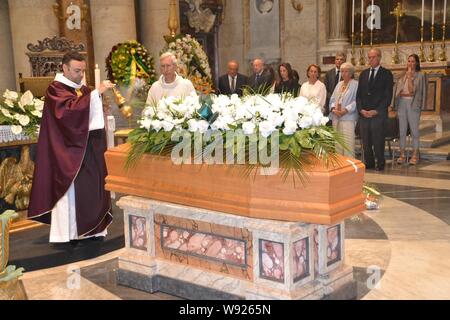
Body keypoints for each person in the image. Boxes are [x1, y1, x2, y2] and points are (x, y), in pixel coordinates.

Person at [28, 51, 115, 243]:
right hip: (66, 155)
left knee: (91, 189)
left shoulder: (81, 89)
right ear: (65, 68)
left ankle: (93, 229)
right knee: (71, 194)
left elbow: (87, 111)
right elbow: (68, 114)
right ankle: (67, 234)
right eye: (76, 71)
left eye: (83, 71)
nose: (80, 75)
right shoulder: (55, 89)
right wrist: (95, 95)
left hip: (87, 152)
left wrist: (99, 105)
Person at [356, 48, 394, 171]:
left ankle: (380, 163)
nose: (370, 60)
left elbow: (388, 95)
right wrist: (361, 109)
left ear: (379, 57)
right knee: (366, 142)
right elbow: (359, 95)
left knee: (378, 140)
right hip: (364, 114)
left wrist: (376, 110)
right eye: (369, 57)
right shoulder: (364, 74)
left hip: (378, 114)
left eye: (373, 57)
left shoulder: (386, 74)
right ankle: (370, 162)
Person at [393, 54, 426, 165]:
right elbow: (398, 91)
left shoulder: (420, 75)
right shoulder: (402, 76)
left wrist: (411, 77)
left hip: (413, 104)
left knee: (414, 131)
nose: (410, 63)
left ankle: (415, 155)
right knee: (402, 131)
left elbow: (413, 91)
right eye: (409, 61)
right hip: (402, 103)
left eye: (413, 61)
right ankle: (402, 154)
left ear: (416, 63)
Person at [329, 62, 359, 157]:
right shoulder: (339, 84)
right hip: (336, 117)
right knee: (338, 143)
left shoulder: (355, 84)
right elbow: (333, 99)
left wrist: (345, 110)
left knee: (348, 143)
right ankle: (340, 166)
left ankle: (350, 166)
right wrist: (333, 109)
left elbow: (356, 101)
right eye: (342, 71)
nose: (344, 73)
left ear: (351, 73)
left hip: (348, 118)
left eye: (346, 71)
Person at [324, 52, 347, 117]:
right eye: (337, 59)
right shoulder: (329, 73)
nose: (339, 61)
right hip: (330, 103)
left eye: (341, 59)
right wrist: (332, 97)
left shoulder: (348, 74)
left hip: (343, 104)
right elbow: (325, 89)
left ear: (345, 61)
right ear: (335, 61)